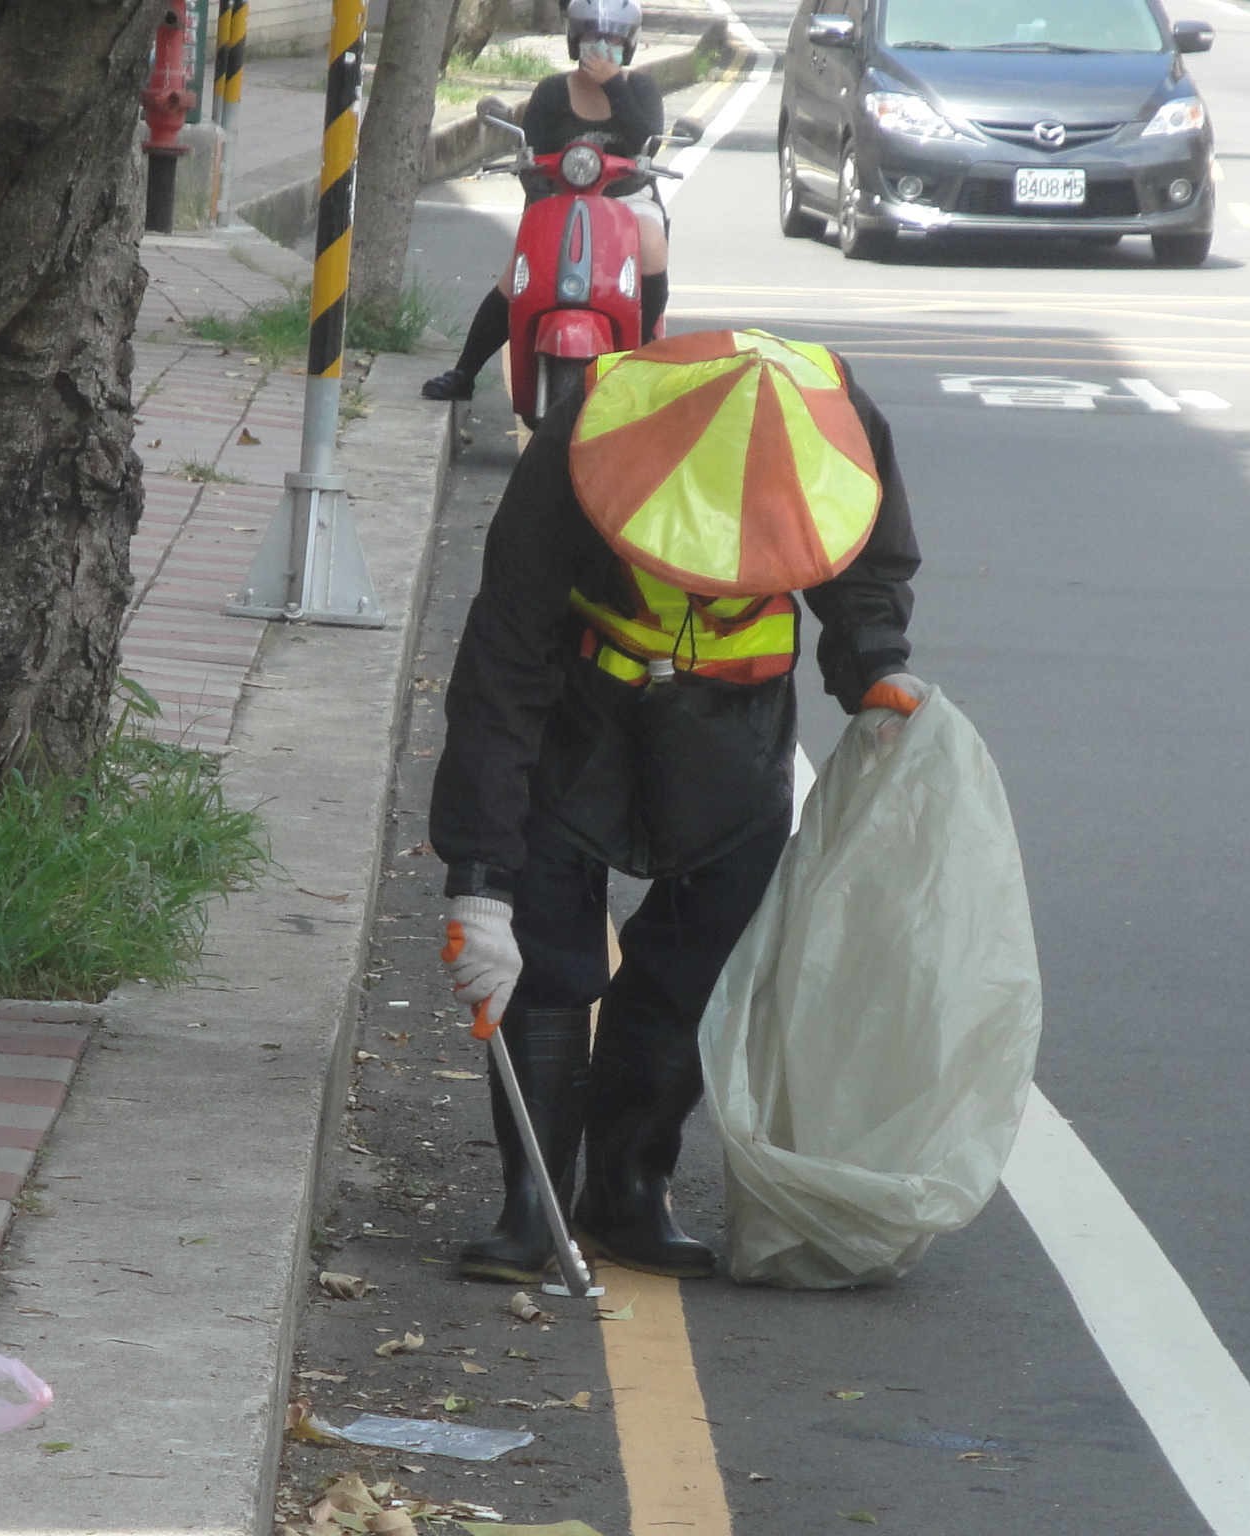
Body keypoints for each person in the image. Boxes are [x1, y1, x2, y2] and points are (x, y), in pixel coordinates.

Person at [432, 330, 926, 1281]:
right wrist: (482, 880)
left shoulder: (840, 421)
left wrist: (876, 674)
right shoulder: (584, 440)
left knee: (692, 966)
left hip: (736, 730)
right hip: (587, 715)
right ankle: (533, 1204)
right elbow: (502, 661)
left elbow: (869, 568)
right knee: (548, 955)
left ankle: (626, 1187)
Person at [422, 0, 669, 403]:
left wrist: (613, 85)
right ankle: (465, 372)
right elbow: (529, 155)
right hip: (558, 197)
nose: (602, 45)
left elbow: (648, 140)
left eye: (612, 38)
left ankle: (640, 357)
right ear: (574, 40)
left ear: (629, 43)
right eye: (592, 36)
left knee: (652, 250)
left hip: (627, 199)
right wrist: (539, 197)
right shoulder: (553, 91)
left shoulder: (639, 89)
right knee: (518, 278)